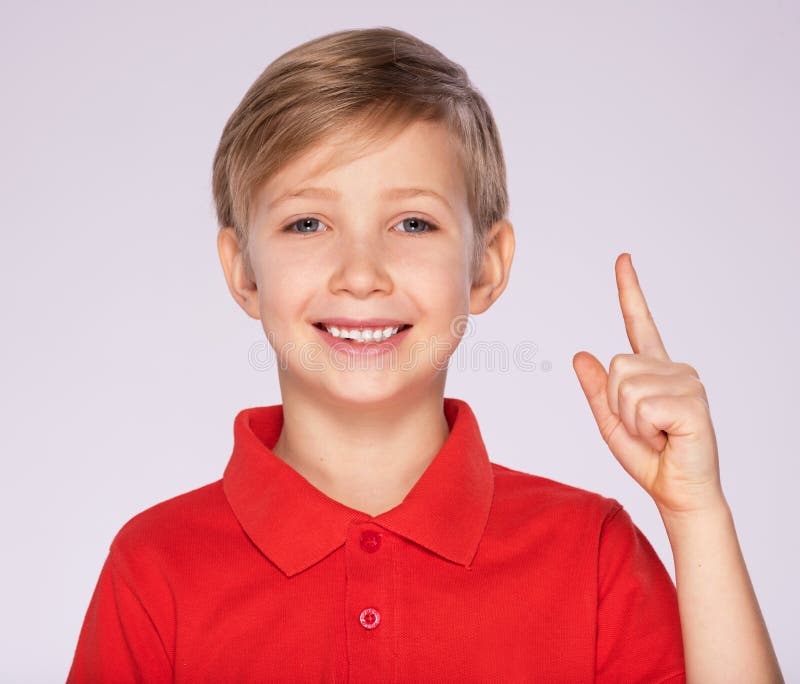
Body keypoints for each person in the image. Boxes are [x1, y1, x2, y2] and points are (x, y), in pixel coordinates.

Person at [66, 26, 783, 683]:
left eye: (413, 222)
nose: (360, 271)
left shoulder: (593, 556)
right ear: (243, 271)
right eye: (307, 222)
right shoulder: (155, 568)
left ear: (487, 266)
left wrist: (696, 513)